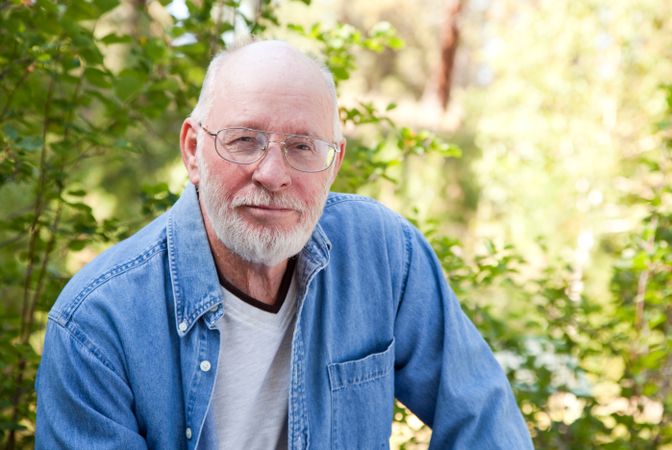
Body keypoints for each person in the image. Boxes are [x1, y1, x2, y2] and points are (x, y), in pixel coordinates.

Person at [35, 40, 533, 449]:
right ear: (193, 151)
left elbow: (483, 418)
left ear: (334, 164)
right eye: (244, 140)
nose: (273, 174)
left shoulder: (383, 254)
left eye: (302, 147)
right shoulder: (95, 326)